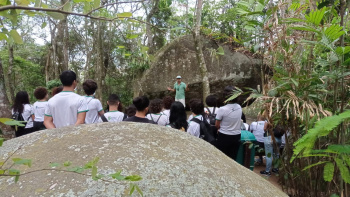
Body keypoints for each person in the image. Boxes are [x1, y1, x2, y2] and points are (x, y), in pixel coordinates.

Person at [214, 86, 242, 161]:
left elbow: (217, 125)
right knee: (233, 157)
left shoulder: (222, 109)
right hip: (237, 135)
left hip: (224, 135)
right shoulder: (239, 107)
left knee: (222, 157)